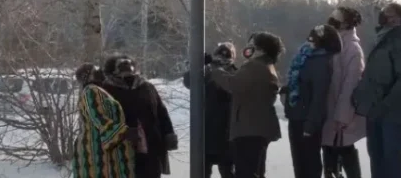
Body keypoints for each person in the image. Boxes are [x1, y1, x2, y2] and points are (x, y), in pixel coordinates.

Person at [351, 2, 401, 178]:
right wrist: (360, 94)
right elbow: (371, 72)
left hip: (389, 111)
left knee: (391, 156)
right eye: (385, 13)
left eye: (391, 15)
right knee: (376, 154)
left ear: (399, 20)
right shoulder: (380, 39)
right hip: (373, 107)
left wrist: (385, 105)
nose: (386, 17)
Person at [208, 32, 285, 178]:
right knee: (254, 171)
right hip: (256, 127)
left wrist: (215, 70)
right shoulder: (266, 65)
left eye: (252, 45)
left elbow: (233, 84)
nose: (248, 48)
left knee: (246, 172)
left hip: (250, 129)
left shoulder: (255, 66)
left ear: (261, 49)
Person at [104, 55, 178, 178]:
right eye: (122, 66)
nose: (126, 69)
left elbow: (161, 112)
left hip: (152, 147)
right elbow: (103, 120)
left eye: (128, 65)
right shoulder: (106, 90)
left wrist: (168, 134)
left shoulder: (147, 87)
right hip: (121, 151)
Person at [284, 25, 342, 178]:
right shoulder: (305, 56)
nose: (309, 40)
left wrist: (311, 124)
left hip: (307, 120)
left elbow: (319, 96)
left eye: (313, 37)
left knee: (309, 163)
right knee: (299, 163)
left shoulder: (322, 62)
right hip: (296, 116)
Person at [322, 6, 366, 178]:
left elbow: (351, 85)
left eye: (335, 19)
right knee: (329, 150)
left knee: (344, 150)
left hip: (340, 114)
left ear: (346, 24)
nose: (330, 22)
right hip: (328, 111)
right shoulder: (330, 43)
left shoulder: (352, 49)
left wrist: (342, 116)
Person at [183, 42, 238, 178]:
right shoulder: (207, 73)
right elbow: (189, 82)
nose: (222, 60)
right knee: (203, 171)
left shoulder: (234, 75)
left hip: (226, 133)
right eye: (220, 56)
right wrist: (197, 65)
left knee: (227, 171)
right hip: (207, 132)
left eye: (226, 57)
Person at [72, 63, 136, 178]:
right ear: (89, 75)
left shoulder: (98, 90)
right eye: (96, 70)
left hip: (102, 149)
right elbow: (99, 118)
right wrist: (125, 132)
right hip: (97, 152)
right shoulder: (91, 91)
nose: (100, 71)